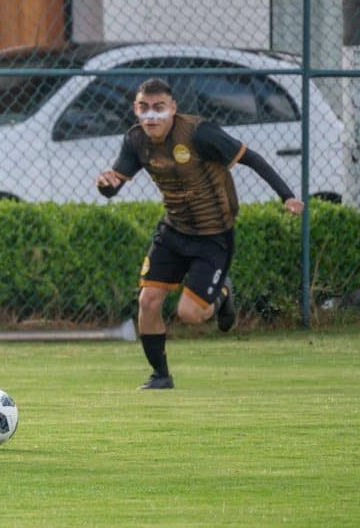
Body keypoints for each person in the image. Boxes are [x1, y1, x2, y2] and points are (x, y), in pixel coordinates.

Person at [95, 78, 304, 390]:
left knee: (190, 314)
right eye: (144, 108)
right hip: (173, 230)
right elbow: (114, 185)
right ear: (136, 110)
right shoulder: (136, 140)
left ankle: (222, 293)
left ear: (173, 108)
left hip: (213, 236)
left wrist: (286, 195)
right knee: (148, 301)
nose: (151, 116)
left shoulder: (199, 133)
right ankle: (160, 376)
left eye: (159, 108)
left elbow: (253, 159)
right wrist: (105, 185)